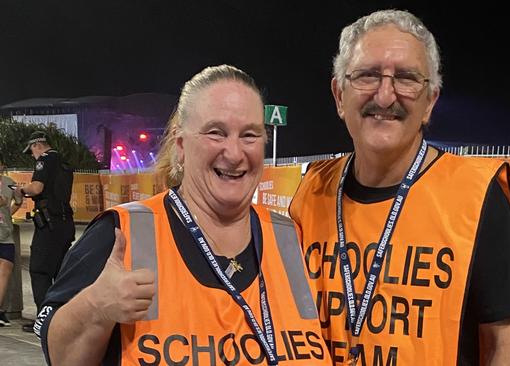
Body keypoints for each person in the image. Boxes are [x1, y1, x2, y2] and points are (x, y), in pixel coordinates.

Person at [35, 65, 332, 365]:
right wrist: (96, 306)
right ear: (180, 146)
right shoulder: (123, 233)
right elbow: (60, 357)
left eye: (250, 135)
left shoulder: (290, 237)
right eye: (216, 133)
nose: (234, 152)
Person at [289, 9, 510, 365]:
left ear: (429, 102)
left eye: (406, 78)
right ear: (339, 94)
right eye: (368, 75)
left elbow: (507, 342)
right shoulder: (311, 190)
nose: (385, 96)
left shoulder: (475, 194)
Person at [18, 131, 75, 332]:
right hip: (66, 222)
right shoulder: (63, 161)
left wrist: (21, 190)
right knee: (60, 272)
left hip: (49, 224)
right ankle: (64, 319)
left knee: (40, 271)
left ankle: (44, 321)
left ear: (36, 145)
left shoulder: (44, 159)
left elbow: (37, 188)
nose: (32, 156)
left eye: (31, 151)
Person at [0, 154, 24, 326]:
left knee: (6, 270)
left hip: (6, 233)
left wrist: (10, 211)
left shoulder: (9, 182)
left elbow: (17, 201)